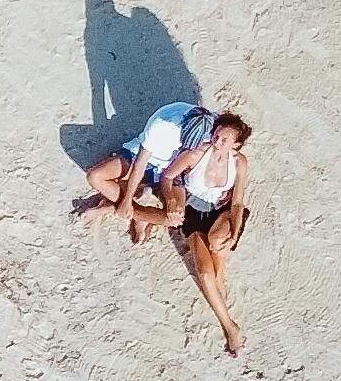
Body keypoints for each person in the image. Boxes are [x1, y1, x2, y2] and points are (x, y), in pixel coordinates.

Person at [76, 104, 254, 354]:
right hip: (194, 212)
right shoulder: (192, 150)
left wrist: (234, 234)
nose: (217, 141)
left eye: (224, 140)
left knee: (217, 253)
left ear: (235, 146)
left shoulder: (234, 156)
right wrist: (159, 199)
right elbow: (166, 176)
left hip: (221, 214)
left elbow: (237, 202)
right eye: (217, 136)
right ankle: (230, 327)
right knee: (206, 274)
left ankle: (115, 209)